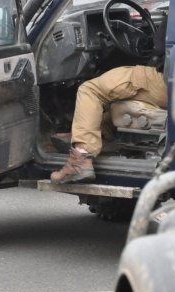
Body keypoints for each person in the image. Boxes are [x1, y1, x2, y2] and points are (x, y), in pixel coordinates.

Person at [50, 16, 168, 184]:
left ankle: (80, 159)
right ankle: (99, 133)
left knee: (91, 90)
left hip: (169, 81)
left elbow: (159, 46)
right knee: (118, 91)